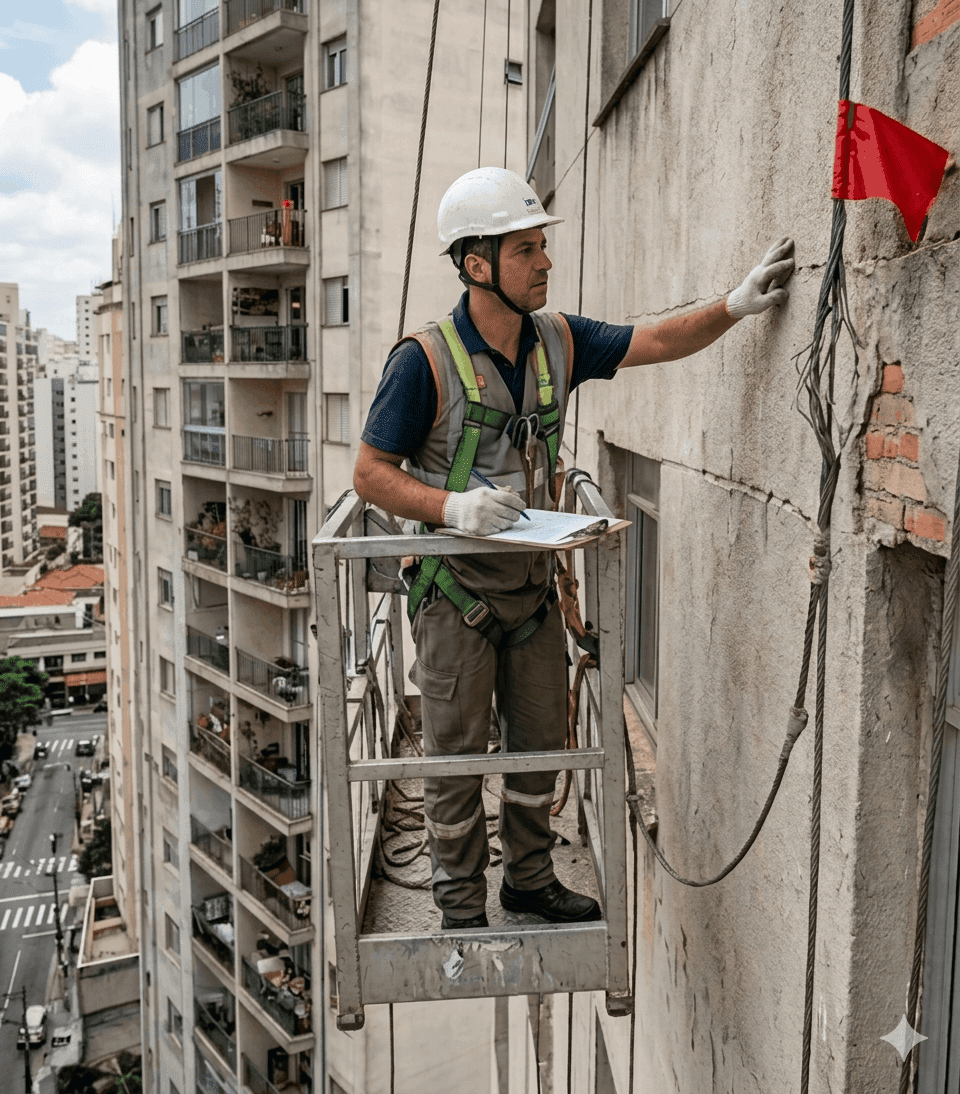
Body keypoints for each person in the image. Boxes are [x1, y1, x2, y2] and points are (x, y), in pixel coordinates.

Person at [354, 167, 795, 930]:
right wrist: (451, 504)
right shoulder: (421, 362)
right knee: (455, 763)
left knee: (541, 747)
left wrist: (735, 305)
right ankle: (461, 904)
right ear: (476, 263)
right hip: (453, 594)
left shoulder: (556, 340)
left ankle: (527, 880)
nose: (546, 263)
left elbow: (653, 340)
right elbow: (368, 475)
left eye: (541, 248)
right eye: (527, 250)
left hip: (531, 590)